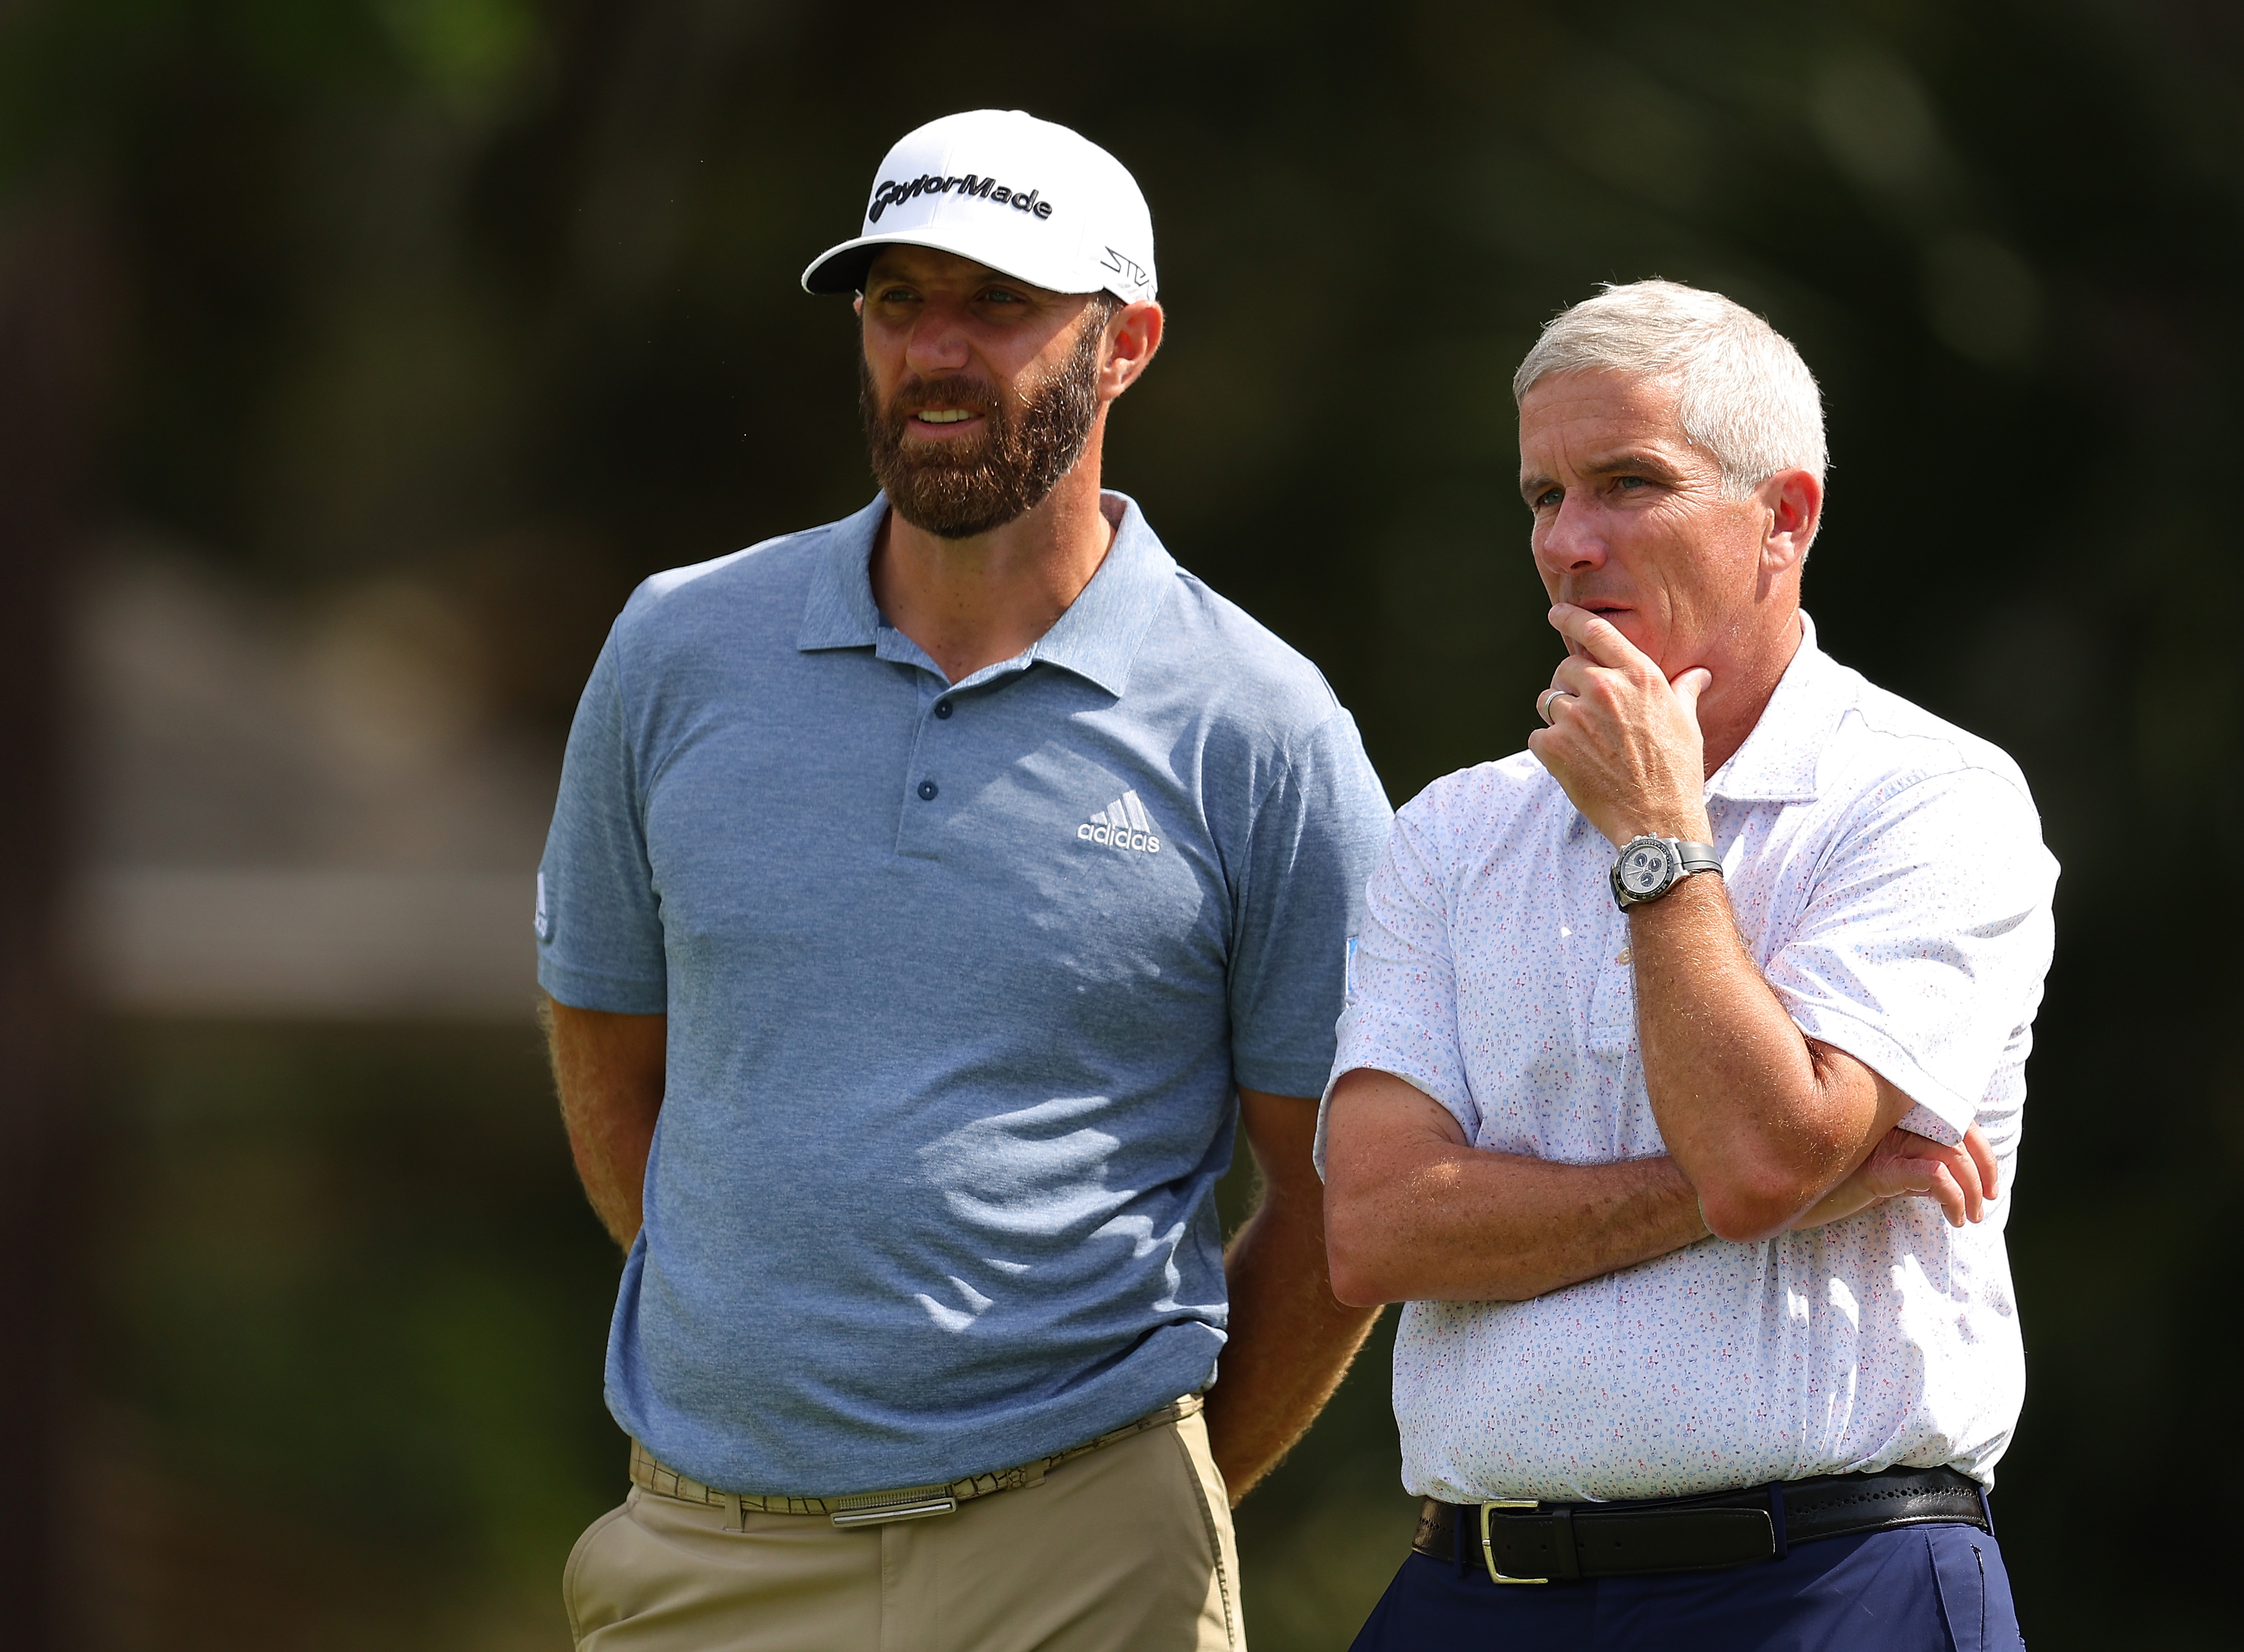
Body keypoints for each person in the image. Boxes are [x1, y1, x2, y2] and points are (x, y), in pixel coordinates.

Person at [535, 109, 1393, 1652]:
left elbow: (1339, 1197)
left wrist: (1154, 1494)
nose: (933, 350)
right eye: (895, 302)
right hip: (703, 1554)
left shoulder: (1259, 725)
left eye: (997, 303)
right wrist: (777, 1349)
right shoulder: (675, 648)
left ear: (1123, 343)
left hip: (1084, 1552)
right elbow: (606, 1040)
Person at [1319, 280, 2055, 1650]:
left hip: (1828, 1588)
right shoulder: (1453, 827)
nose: (1568, 543)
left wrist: (1661, 837)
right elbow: (1375, 1233)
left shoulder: (1932, 798)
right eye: (1542, 496)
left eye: (1626, 483)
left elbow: (1762, 1157)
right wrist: (1761, 1190)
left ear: (1783, 516)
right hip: (1475, 1593)